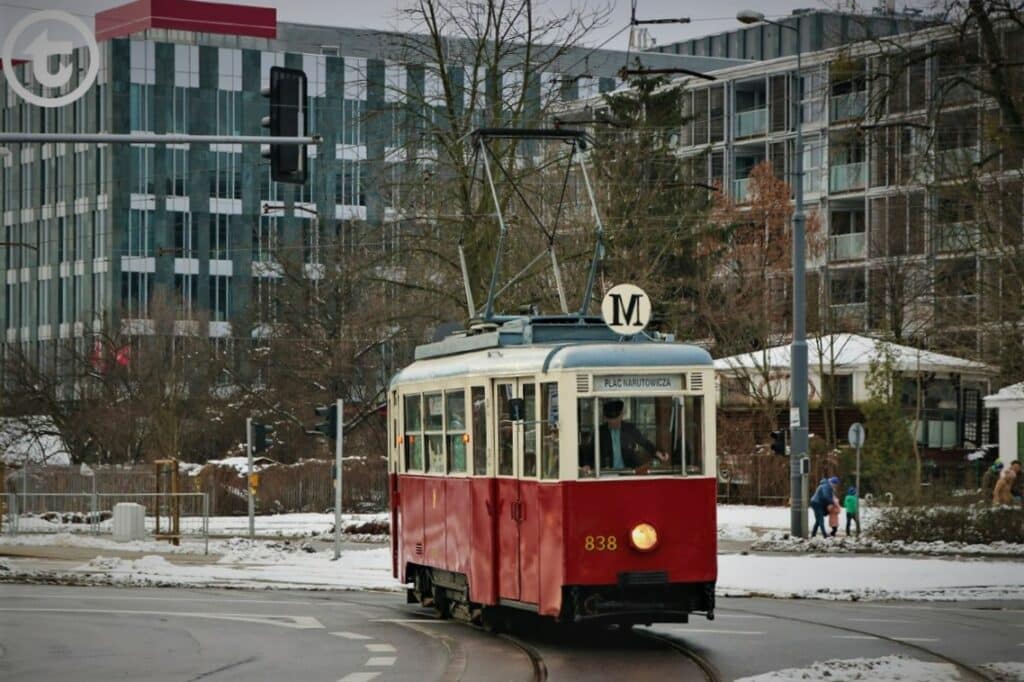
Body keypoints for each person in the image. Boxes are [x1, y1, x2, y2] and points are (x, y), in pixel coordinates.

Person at [579, 400, 668, 474]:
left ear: (621, 415)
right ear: (605, 418)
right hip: (606, 473)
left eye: (616, 420)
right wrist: (587, 465)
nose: (614, 423)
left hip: (628, 471)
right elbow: (590, 451)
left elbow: (644, 442)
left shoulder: (630, 429)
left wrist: (658, 453)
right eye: (611, 421)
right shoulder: (600, 432)